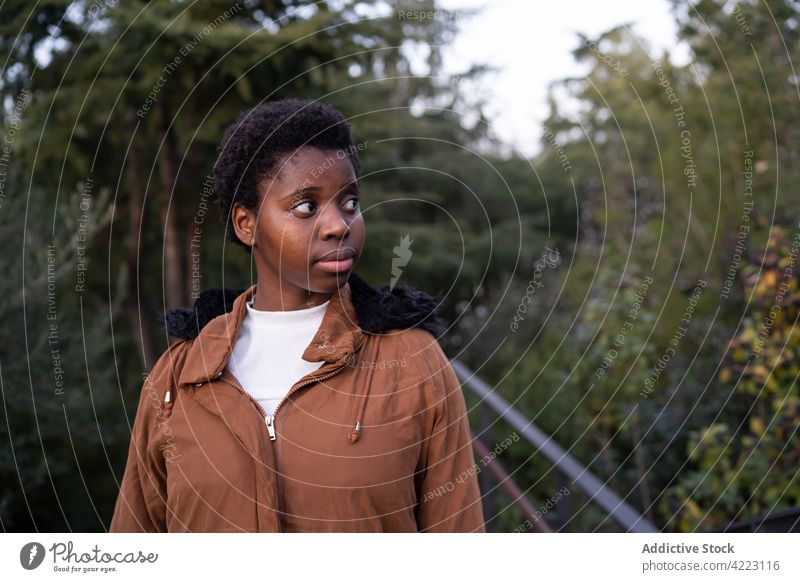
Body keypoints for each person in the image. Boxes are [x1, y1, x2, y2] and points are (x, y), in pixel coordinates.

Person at [109, 98, 485, 532]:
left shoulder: (414, 364)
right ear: (246, 224)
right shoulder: (178, 378)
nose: (339, 225)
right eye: (306, 206)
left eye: (349, 202)